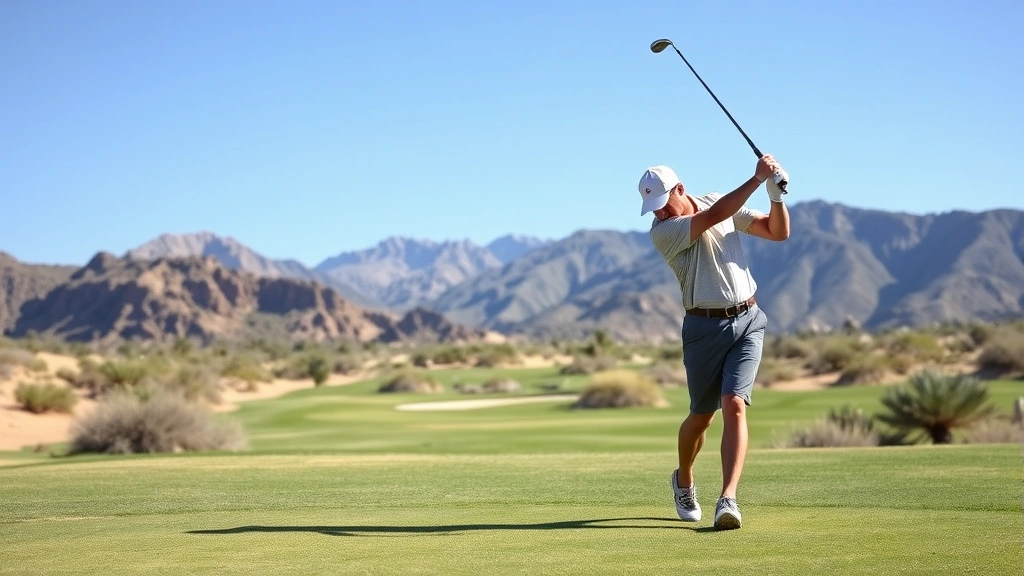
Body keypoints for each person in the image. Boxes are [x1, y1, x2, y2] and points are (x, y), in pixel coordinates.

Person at [637, 154, 790, 530]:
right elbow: (713, 218)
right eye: (652, 209)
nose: (657, 213)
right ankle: (684, 479)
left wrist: (776, 196)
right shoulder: (665, 231)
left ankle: (728, 499)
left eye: (661, 204)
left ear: (680, 189)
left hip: (749, 320)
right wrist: (757, 179)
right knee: (701, 417)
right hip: (703, 330)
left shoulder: (717, 201)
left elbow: (777, 232)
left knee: (734, 404)